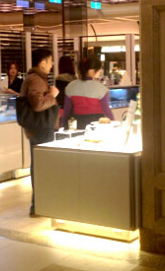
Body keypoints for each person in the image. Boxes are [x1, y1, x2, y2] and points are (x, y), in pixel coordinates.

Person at [19, 48, 59, 216]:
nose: (51, 65)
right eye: (50, 62)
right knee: (42, 167)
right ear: (42, 63)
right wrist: (52, 94)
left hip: (39, 129)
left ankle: (40, 205)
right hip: (41, 129)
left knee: (40, 166)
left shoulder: (35, 79)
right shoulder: (36, 80)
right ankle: (39, 206)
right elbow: (38, 104)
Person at [61, 56, 114, 130]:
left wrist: (62, 125)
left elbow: (66, 110)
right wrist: (114, 123)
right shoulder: (101, 89)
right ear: (91, 71)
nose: (100, 71)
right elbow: (106, 110)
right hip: (96, 125)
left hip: (78, 124)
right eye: (99, 69)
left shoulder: (70, 86)